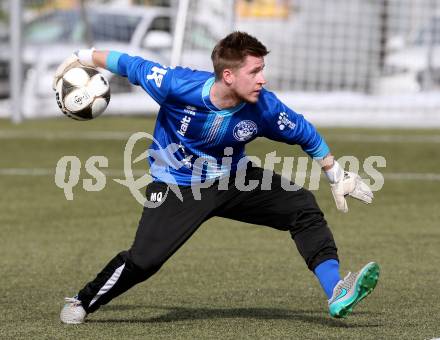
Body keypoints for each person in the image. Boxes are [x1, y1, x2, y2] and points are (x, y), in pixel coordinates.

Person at [54, 31, 379, 324]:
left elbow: (306, 134)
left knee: (302, 207)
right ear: (228, 75)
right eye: (254, 71)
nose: (262, 79)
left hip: (235, 179)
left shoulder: (264, 107)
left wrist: (336, 174)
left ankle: (335, 289)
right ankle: (84, 301)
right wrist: (80, 57)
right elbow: (128, 63)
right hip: (177, 185)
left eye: (262, 69)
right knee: (144, 261)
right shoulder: (177, 85)